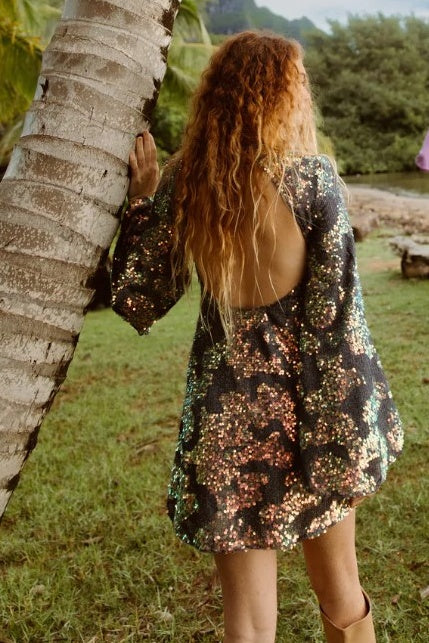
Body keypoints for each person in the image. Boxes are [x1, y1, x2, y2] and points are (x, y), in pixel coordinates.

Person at [110, 31, 403, 643]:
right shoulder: (312, 182)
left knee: (246, 623)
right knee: (341, 594)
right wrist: (348, 439)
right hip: (311, 420)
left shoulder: (187, 183)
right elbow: (337, 328)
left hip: (226, 421)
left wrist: (142, 203)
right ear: (282, 96)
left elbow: (139, 301)